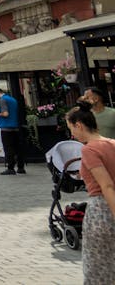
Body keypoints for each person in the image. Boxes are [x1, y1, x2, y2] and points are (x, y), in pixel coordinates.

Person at [65, 99, 115, 284]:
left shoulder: (89, 149)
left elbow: (107, 185)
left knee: (98, 268)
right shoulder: (112, 143)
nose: (72, 134)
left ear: (79, 125)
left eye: (71, 128)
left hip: (102, 210)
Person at [0, 86, 25, 175]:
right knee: (18, 148)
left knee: (8, 148)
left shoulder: (2, 100)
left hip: (6, 127)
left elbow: (5, 113)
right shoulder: (12, 99)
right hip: (15, 126)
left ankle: (10, 168)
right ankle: (21, 167)